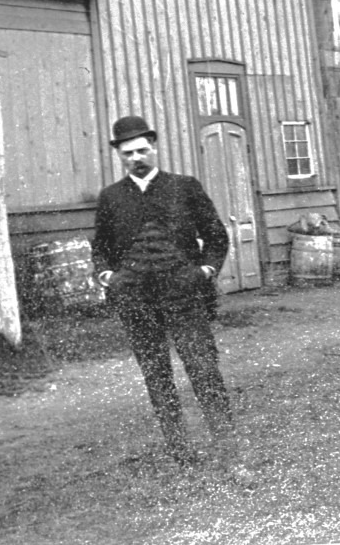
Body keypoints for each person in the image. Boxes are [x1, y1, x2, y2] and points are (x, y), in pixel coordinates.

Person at [92, 115, 234, 465]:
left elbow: (216, 236)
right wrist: (108, 276)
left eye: (142, 150)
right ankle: (180, 451)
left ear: (154, 147)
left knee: (203, 369)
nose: (136, 158)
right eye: (128, 154)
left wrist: (205, 270)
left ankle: (227, 447)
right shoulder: (111, 197)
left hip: (183, 297)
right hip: (137, 302)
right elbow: (101, 248)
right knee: (157, 375)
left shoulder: (183, 187)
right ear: (119, 155)